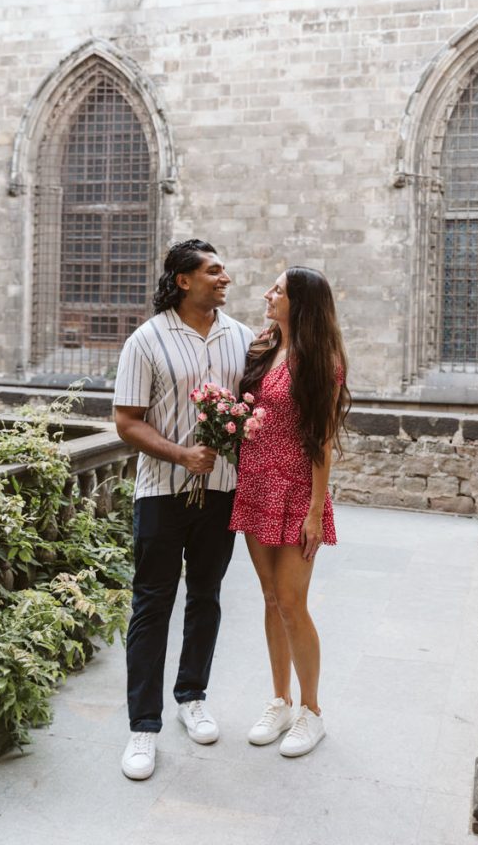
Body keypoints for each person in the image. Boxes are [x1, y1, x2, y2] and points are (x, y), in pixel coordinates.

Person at [113, 239, 253, 780]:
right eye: (214, 271)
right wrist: (181, 454)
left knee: (207, 597)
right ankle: (142, 728)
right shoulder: (146, 340)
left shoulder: (243, 338)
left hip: (222, 491)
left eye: (224, 269)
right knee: (152, 606)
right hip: (160, 493)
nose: (225, 278)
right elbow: (126, 421)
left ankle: (192, 696)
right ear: (183, 280)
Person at [229, 266, 349, 757]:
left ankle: (312, 711)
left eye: (277, 290)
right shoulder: (264, 346)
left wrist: (316, 510)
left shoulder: (320, 360)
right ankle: (279, 699)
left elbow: (322, 440)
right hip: (255, 484)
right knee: (269, 597)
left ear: (299, 302)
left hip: (296, 490)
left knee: (292, 600)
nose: (267, 294)